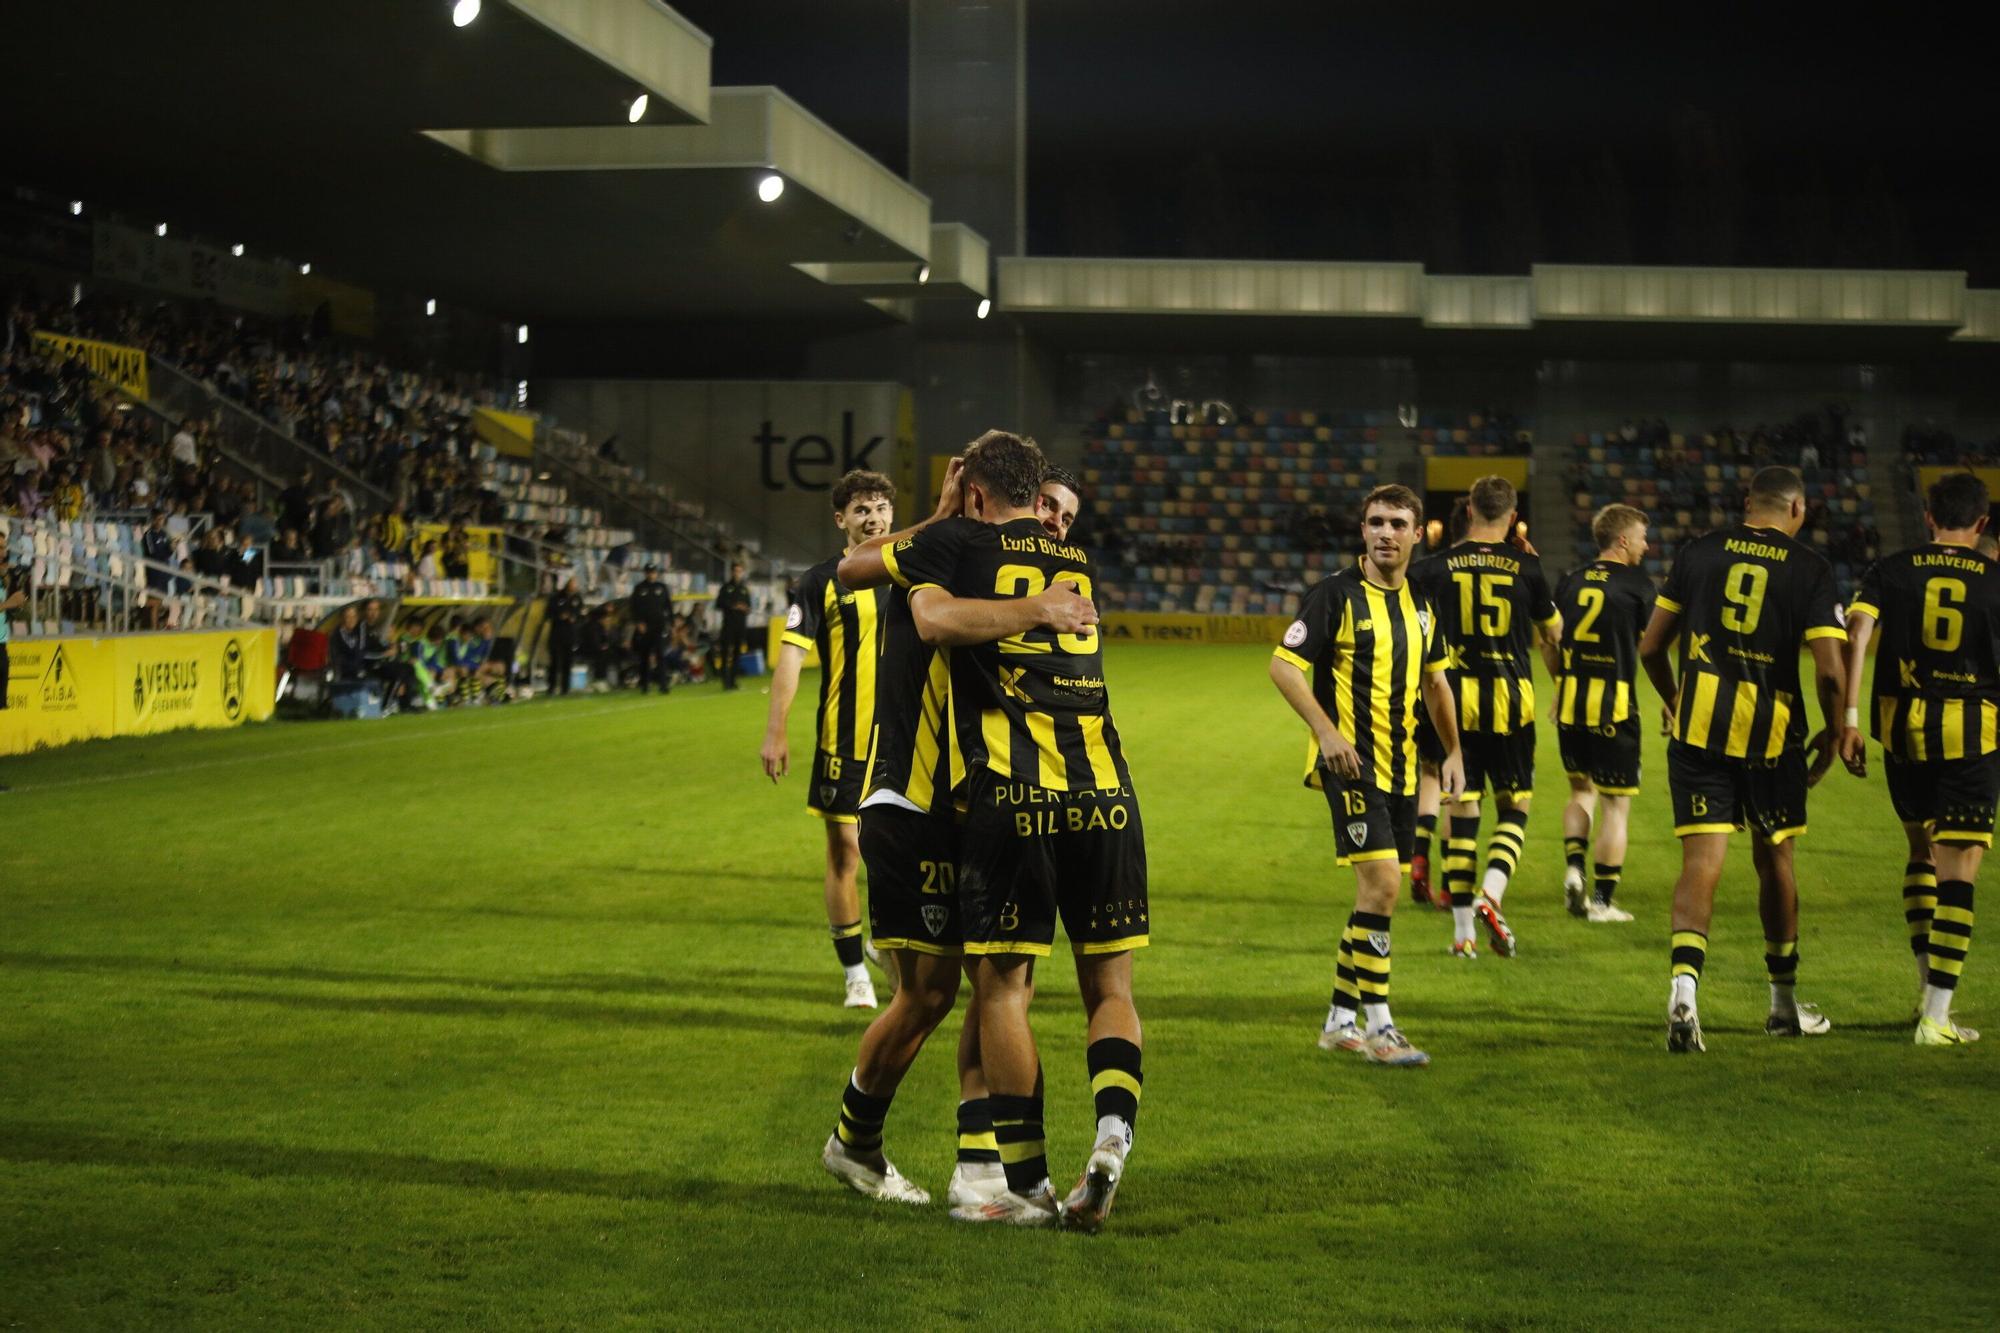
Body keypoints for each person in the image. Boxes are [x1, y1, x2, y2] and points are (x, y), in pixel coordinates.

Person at [855, 434, 1146, 1230]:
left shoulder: (959, 544)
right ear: (1033, 496)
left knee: (993, 990)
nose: (1056, 518)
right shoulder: (1070, 561)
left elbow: (925, 610)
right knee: (1091, 989)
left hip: (1007, 794)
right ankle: (1104, 1132)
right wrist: (1039, 599)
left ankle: (1016, 1179)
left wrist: (949, 528)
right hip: (1098, 791)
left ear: (975, 491)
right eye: (1050, 502)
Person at [1638, 465, 1847, 1053]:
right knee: (1775, 860)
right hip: (1772, 735)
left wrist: (1677, 698)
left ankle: (1684, 995)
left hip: (1700, 726)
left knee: (1701, 863)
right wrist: (1834, 733)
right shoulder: (1810, 568)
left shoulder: (1698, 552)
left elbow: (1652, 646)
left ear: (1746, 501)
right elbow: (1830, 671)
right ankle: (1782, 1007)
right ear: (1799, 510)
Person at [1271, 485, 1464, 1068]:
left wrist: (1453, 752)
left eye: (1397, 524)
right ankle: (1381, 1027)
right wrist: (1328, 734)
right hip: (1351, 767)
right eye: (1375, 522)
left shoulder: (1422, 607)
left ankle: (1339, 1018)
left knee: (1374, 896)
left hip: (1404, 769)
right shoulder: (1333, 596)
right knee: (1383, 886)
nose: (1385, 533)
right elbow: (1284, 666)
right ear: (1362, 531)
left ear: (1416, 533)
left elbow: (1436, 683)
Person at [1838, 470, 1997, 1046]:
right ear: (1981, 524)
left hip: (1900, 732)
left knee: (1920, 854)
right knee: (1959, 870)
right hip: (1970, 736)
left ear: (1928, 516)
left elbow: (1856, 632)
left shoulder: (1892, 569)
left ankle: (1925, 990)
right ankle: (1937, 1016)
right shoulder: (1994, 578)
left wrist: (1849, 719)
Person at [761, 471, 899, 1008]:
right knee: (845, 855)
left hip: (905, 745)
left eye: (882, 507)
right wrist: (776, 730)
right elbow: (791, 658)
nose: (874, 517)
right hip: (843, 743)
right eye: (863, 509)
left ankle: (887, 944)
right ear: (841, 519)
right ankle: (853, 975)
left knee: (904, 857)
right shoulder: (820, 581)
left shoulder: (911, 574)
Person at [1408, 476, 1560, 958]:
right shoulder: (1526, 566)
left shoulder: (1432, 568)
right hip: (1511, 701)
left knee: (1463, 810)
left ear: (1469, 510)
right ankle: (1491, 895)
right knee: (1514, 806)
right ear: (1512, 516)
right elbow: (1555, 632)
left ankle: (1461, 936)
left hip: (1452, 701)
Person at [1548, 504, 1656, 924]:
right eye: (1642, 537)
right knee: (1615, 806)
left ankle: (1574, 867)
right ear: (1623, 539)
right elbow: (1653, 649)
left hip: (1571, 704)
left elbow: (1548, 641)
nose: (1646, 546)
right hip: (1615, 707)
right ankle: (1601, 901)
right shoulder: (1638, 586)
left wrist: (1561, 684)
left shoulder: (1570, 582)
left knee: (1580, 793)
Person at [630, 564, 672, 695]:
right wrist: (638, 623)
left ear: (656, 573)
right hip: (644, 627)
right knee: (645, 656)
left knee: (661, 655)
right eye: (649, 572)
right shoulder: (639, 588)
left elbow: (668, 606)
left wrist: (670, 622)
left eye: (653, 572)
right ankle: (645, 685)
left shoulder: (662, 587)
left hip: (659, 626)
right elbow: (633, 608)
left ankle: (663, 685)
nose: (651, 574)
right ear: (645, 573)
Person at [714, 561, 753, 691]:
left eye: (740, 571)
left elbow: (749, 607)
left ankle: (733, 679)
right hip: (728, 625)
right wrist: (734, 606)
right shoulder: (726, 588)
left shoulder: (744, 589)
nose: (738, 574)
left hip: (740, 625)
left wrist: (745, 608)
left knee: (737, 653)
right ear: (731, 572)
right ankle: (725, 680)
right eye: (735, 571)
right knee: (726, 652)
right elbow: (719, 604)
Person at [547, 576, 582, 696]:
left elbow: (580, 615)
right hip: (557, 634)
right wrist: (559, 617)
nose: (574, 585)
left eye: (575, 583)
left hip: (571, 634)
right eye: (572, 582)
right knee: (555, 662)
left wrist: (574, 618)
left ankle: (565, 689)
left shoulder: (577, 598)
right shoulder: (556, 598)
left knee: (568, 662)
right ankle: (551, 687)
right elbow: (548, 614)